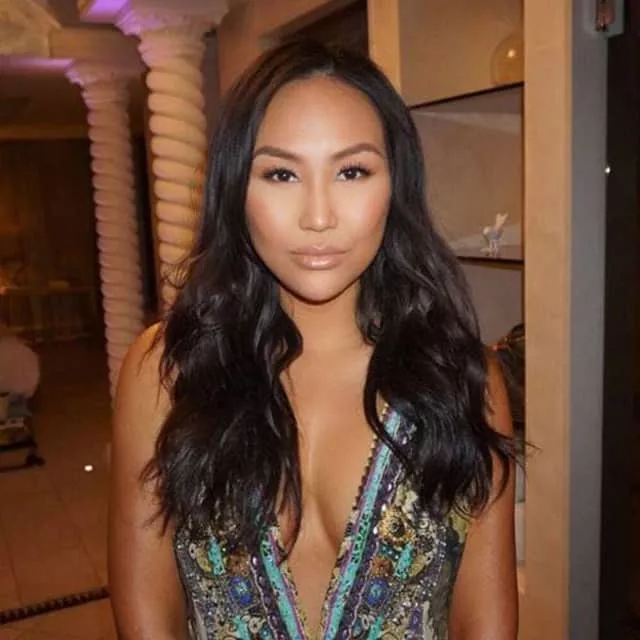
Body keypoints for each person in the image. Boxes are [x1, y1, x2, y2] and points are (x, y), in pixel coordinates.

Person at [109, 39, 517, 639]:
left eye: (352, 171)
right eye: (281, 173)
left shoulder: (462, 380)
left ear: (395, 185)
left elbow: (486, 625)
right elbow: (148, 617)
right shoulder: (167, 371)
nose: (318, 216)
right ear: (235, 189)